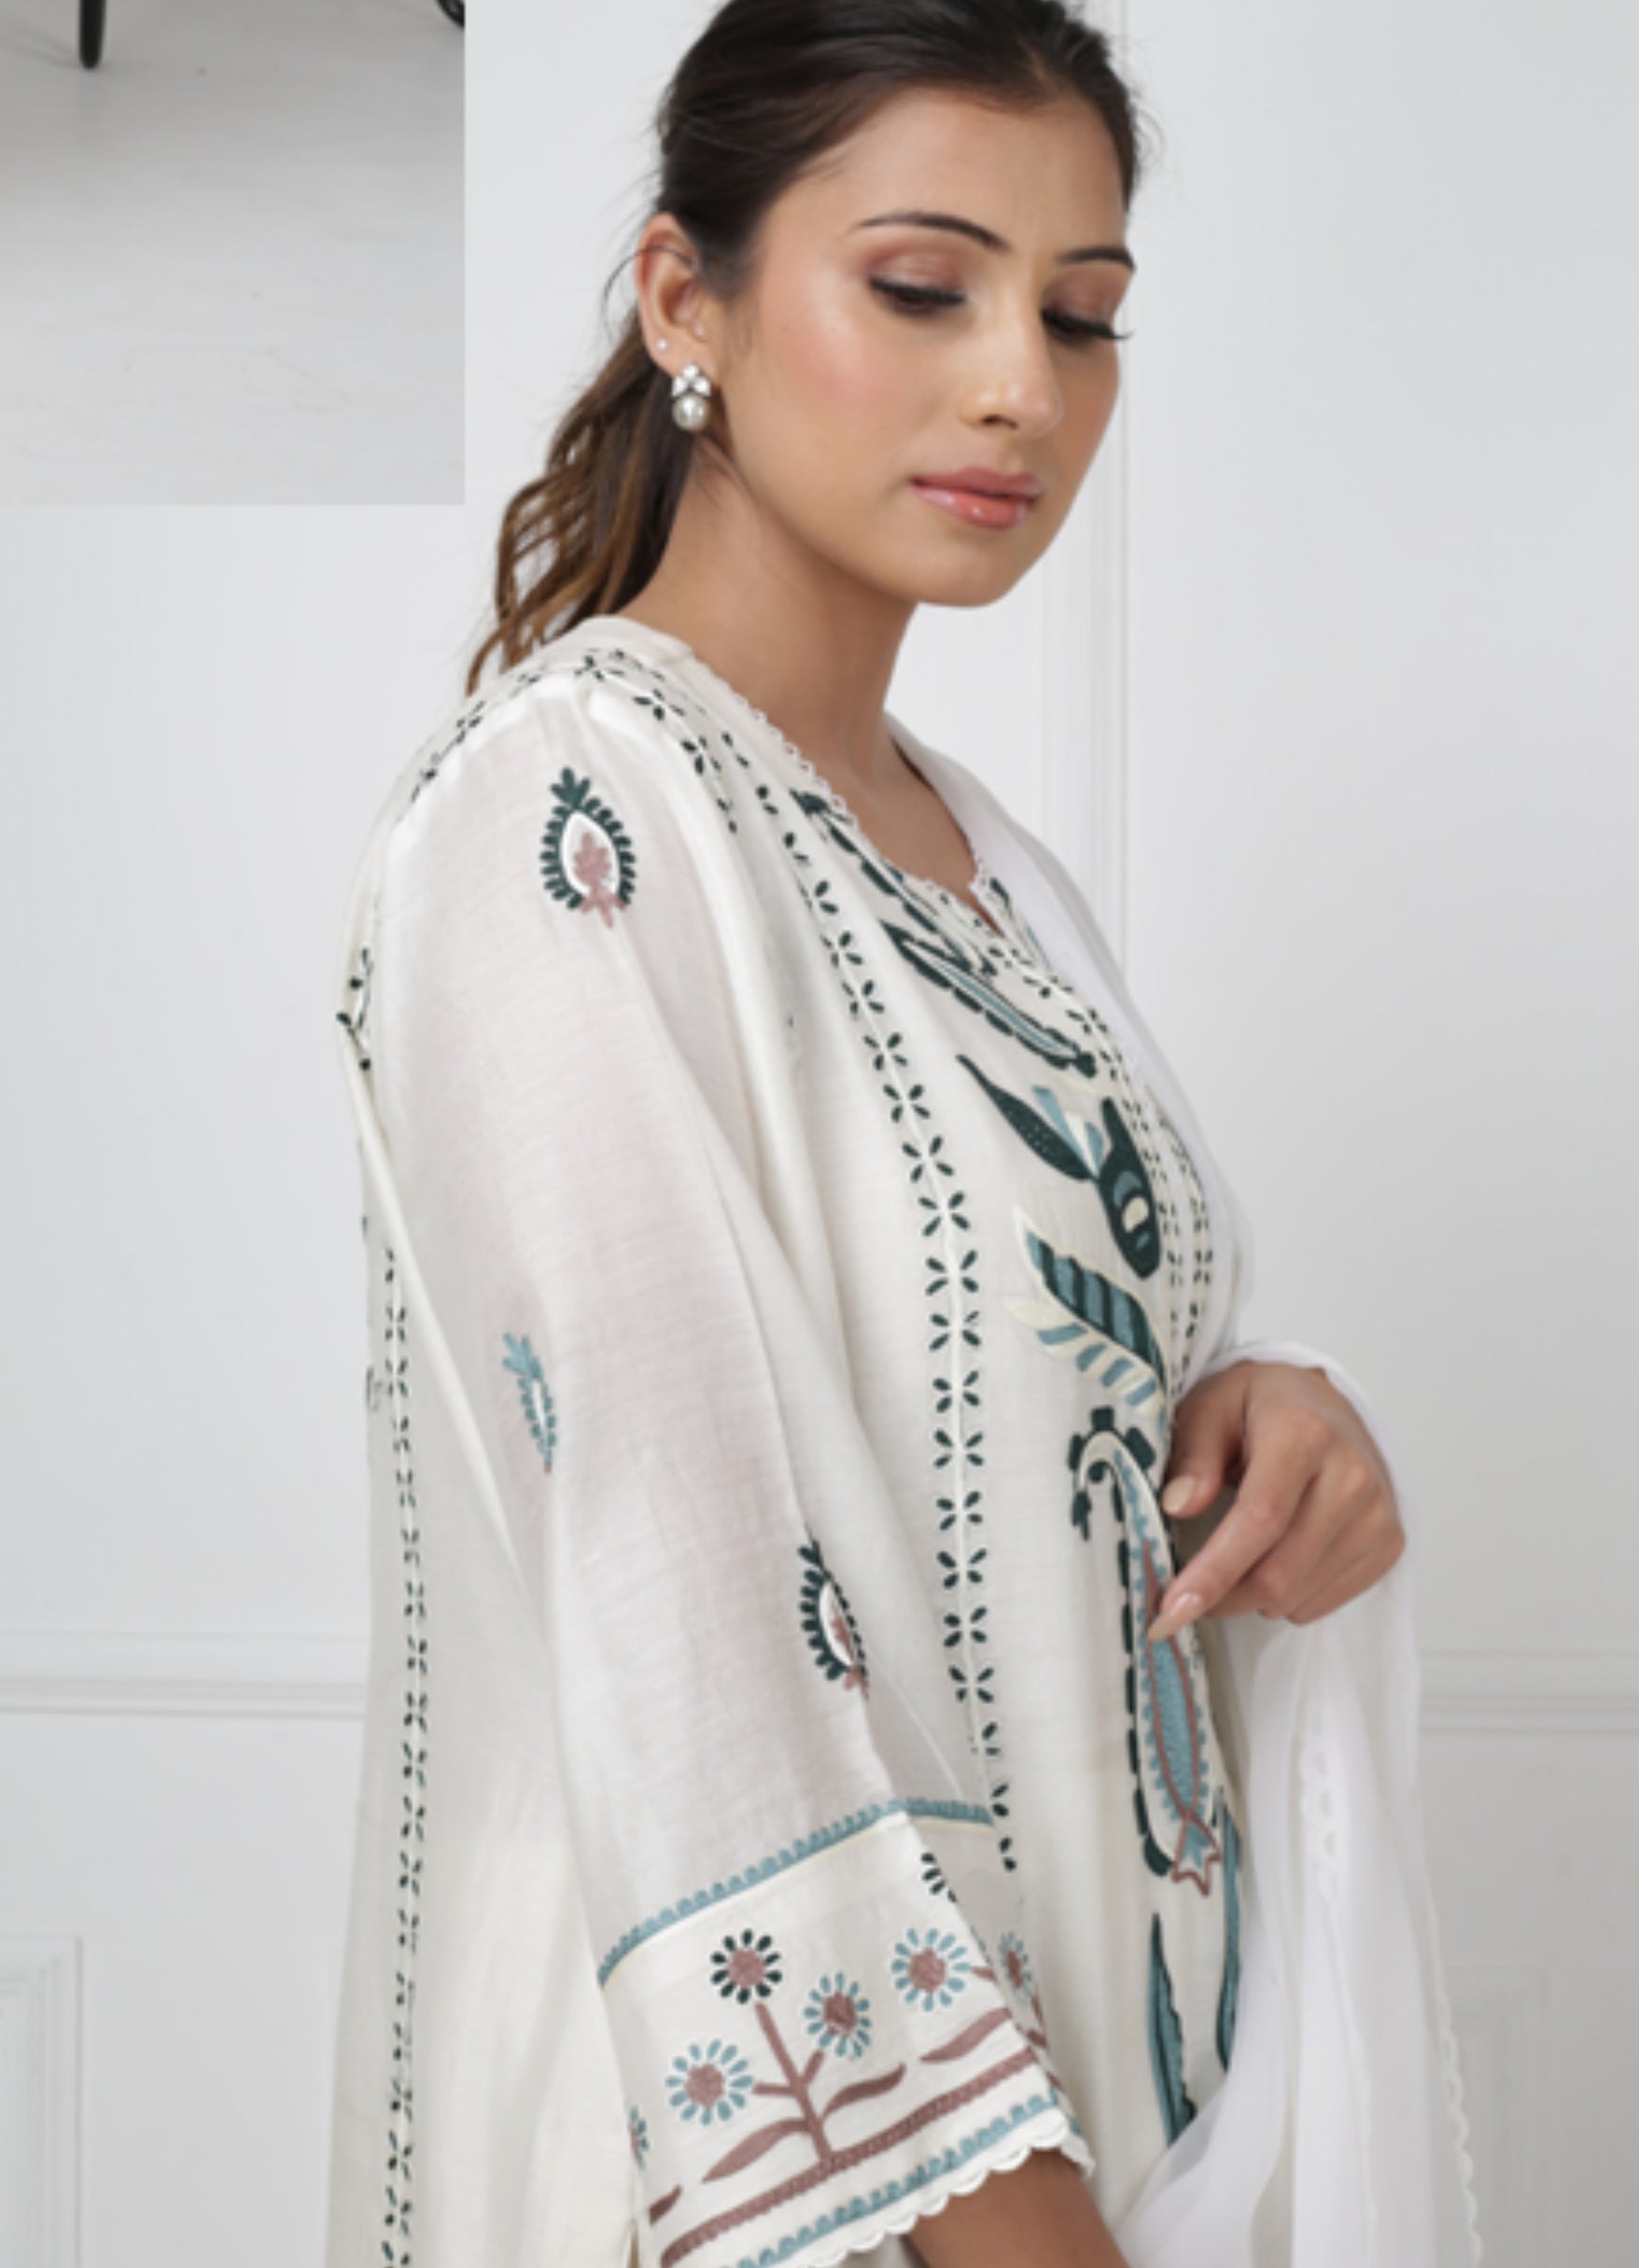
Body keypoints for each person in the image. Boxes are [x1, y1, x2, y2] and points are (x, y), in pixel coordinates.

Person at [322, 5, 1482, 2263]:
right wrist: (1016, 2235)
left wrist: (1268, 1414)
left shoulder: (976, 862)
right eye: (924, 287)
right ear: (687, 299)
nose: (1019, 388)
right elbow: (692, 1638)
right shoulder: (561, 829)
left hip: (1105, 2093)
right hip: (799, 2172)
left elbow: (1030, 1410)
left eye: (1081, 315)